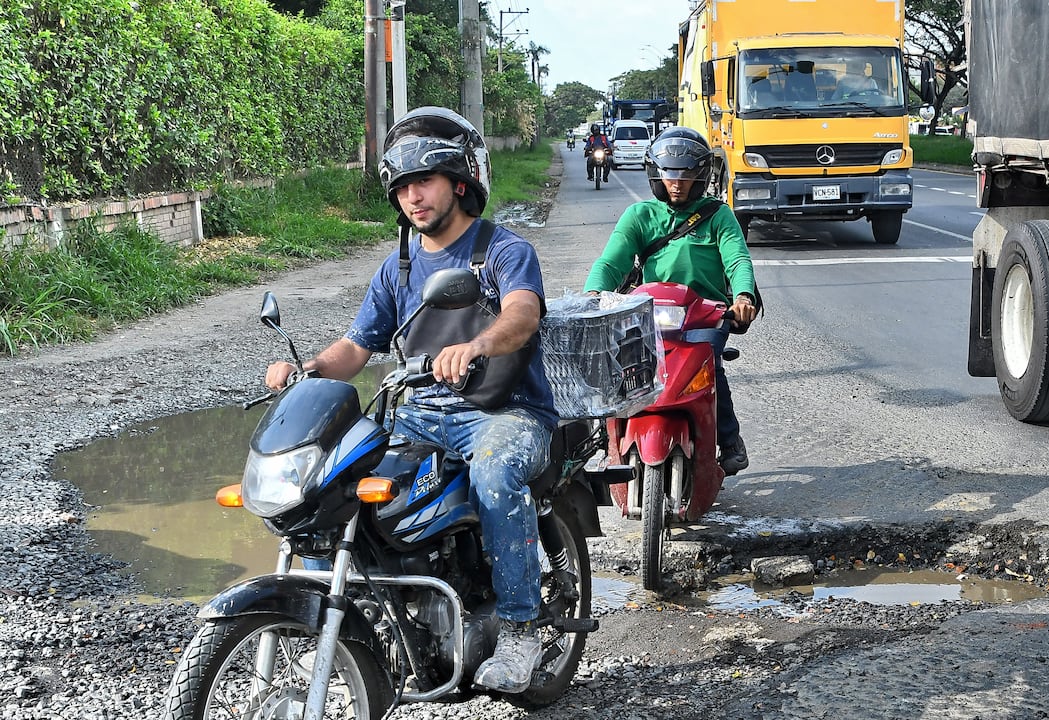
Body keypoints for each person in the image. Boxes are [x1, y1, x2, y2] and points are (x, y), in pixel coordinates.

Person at [263, 106, 558, 695]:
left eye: (425, 181)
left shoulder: (501, 249)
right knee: (332, 484)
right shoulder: (396, 268)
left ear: (460, 183)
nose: (413, 197)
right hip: (418, 414)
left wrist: (477, 343)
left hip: (503, 413)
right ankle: (355, 622)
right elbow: (358, 345)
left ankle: (524, 626)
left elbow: (523, 314)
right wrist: (309, 369)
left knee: (495, 471)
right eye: (402, 186)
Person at [582, 126, 758, 475]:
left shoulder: (718, 216)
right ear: (656, 175)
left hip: (704, 315)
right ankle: (608, 438)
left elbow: (738, 260)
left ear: (701, 177)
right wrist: (591, 295)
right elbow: (611, 262)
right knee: (618, 367)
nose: (677, 183)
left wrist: (742, 297)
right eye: (669, 176)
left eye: (687, 176)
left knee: (709, 366)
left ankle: (729, 439)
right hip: (648, 314)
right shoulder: (640, 216)